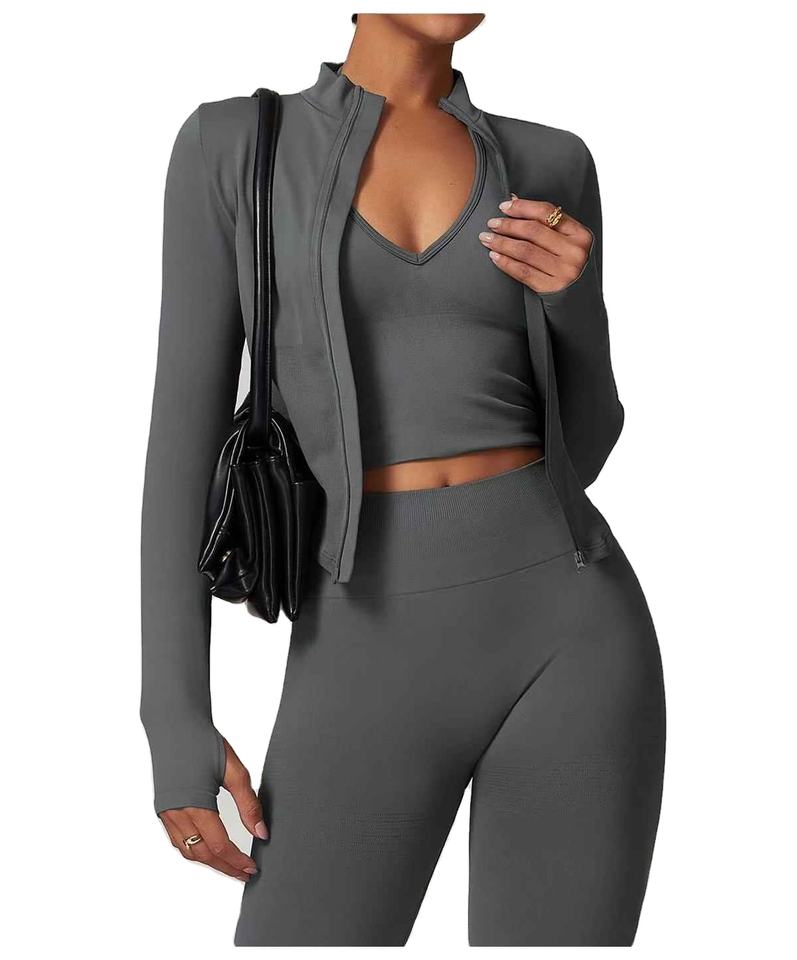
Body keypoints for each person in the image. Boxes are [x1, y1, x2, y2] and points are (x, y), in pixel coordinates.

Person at [141, 12, 666, 946]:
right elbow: (181, 442)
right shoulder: (233, 147)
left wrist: (572, 303)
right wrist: (174, 715)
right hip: (363, 639)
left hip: (572, 629)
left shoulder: (550, 161)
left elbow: (583, 448)